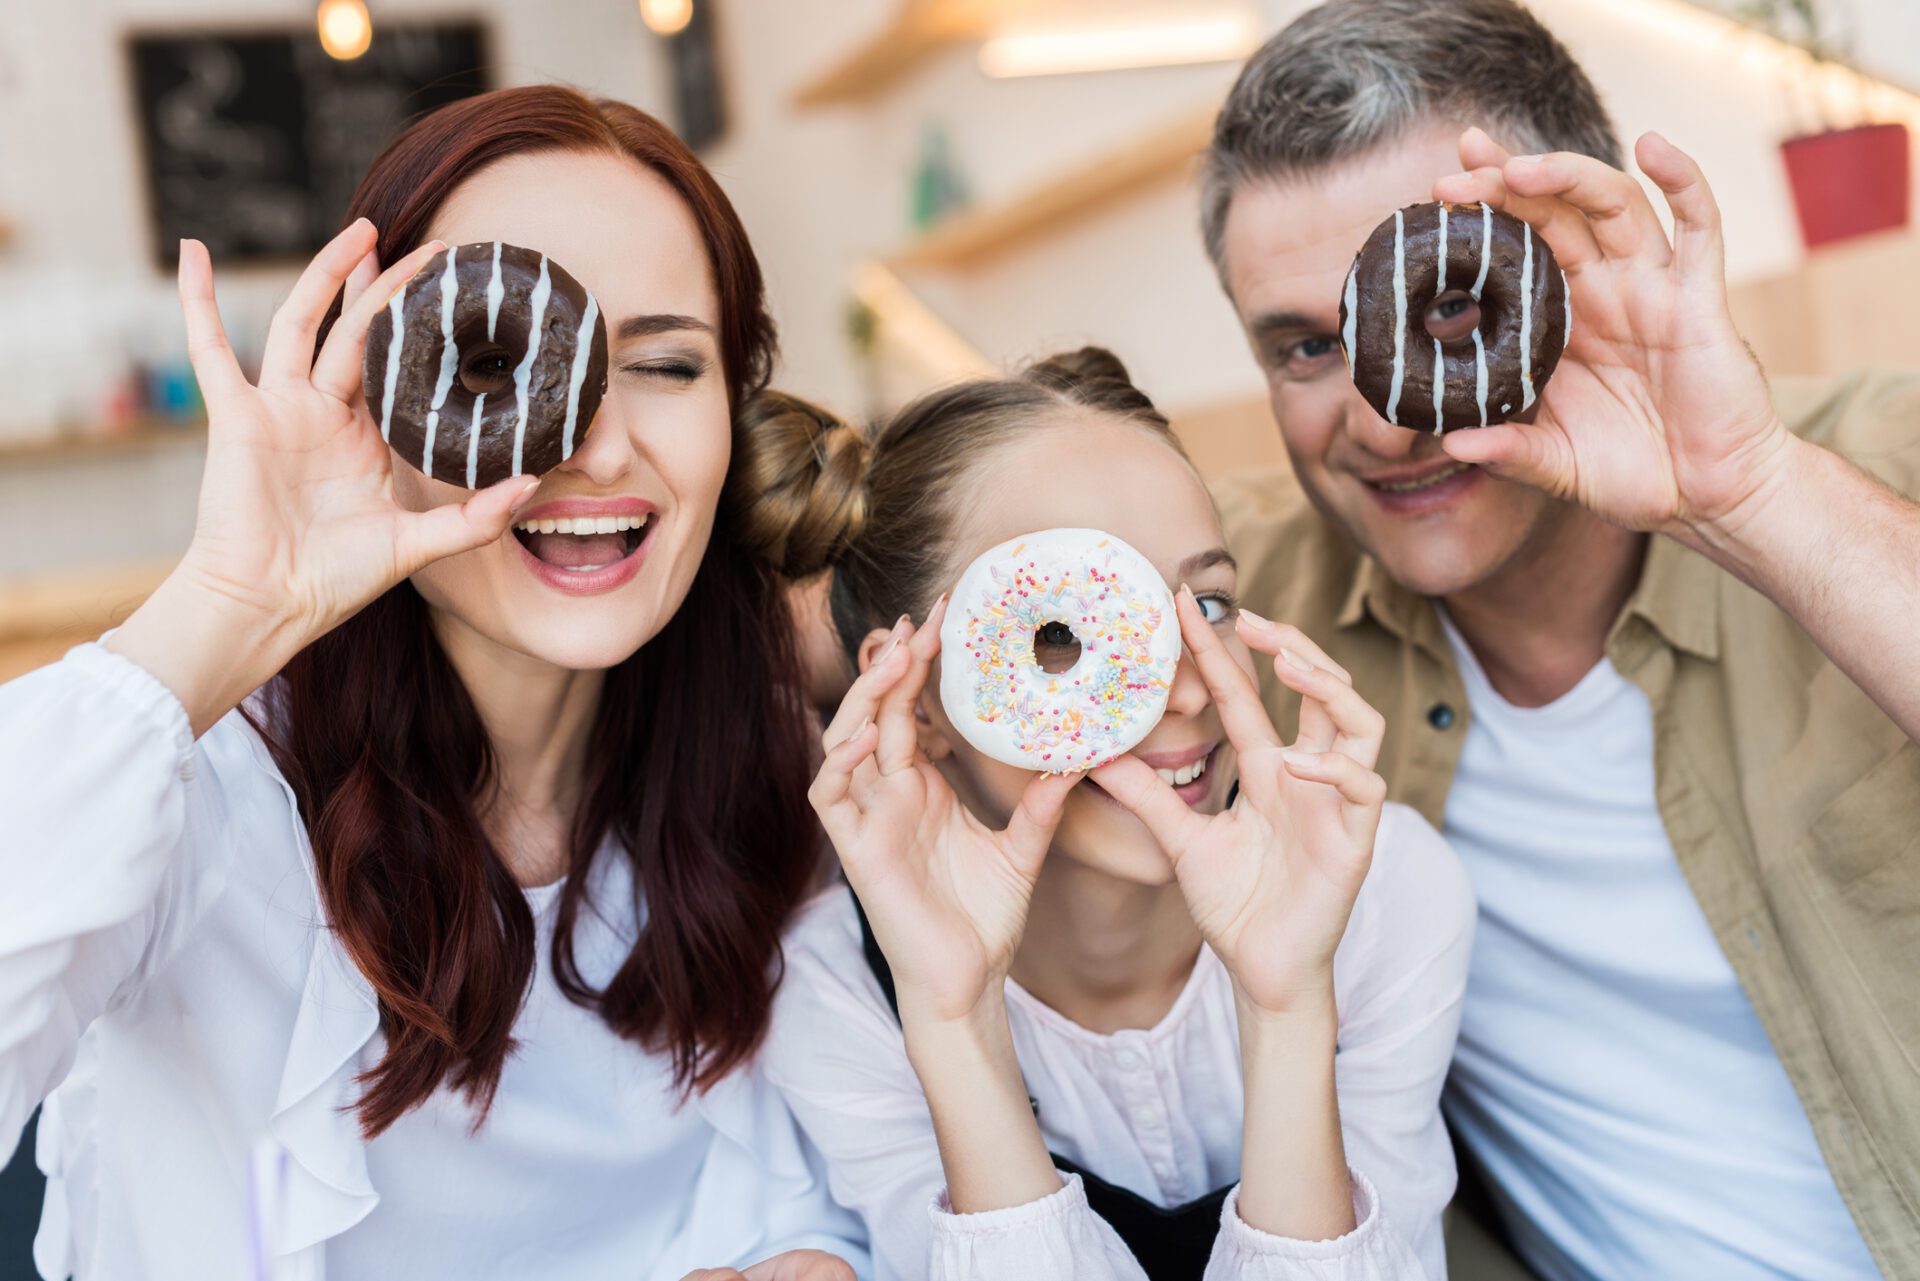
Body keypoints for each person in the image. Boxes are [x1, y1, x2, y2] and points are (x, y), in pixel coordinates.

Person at [0, 87, 863, 1281]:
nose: (598, 447)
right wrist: (227, 610)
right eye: (503, 361)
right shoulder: (206, 802)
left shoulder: (764, 773)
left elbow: (824, 1187)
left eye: (667, 363)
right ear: (375, 391)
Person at [1199, 1, 1920, 1276]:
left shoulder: (1870, 465)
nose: (1380, 417)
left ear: (1573, 263)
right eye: (1310, 346)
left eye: (1449, 312)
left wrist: (1750, 493)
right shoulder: (1243, 607)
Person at [754, 350, 1478, 1280]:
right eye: (1062, 636)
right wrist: (954, 1016)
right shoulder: (838, 996)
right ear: (918, 701)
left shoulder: (1378, 888)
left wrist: (1286, 1003)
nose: (1182, 692)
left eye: (1206, 602)